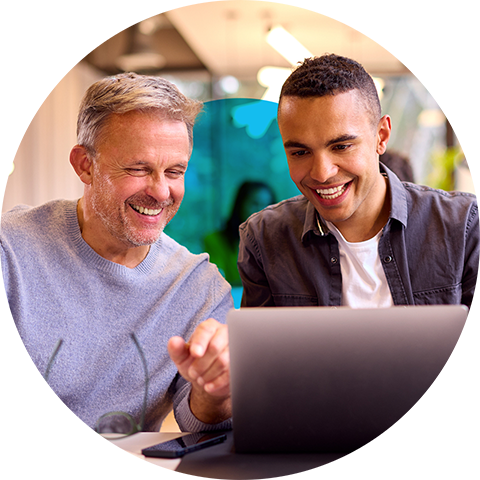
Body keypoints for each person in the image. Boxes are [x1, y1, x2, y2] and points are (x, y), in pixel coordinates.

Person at [0, 73, 232, 432]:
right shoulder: (10, 251)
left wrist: (214, 391)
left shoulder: (199, 286)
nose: (160, 192)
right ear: (85, 165)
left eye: (175, 171)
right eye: (138, 169)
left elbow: (197, 422)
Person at [238, 54, 479, 308]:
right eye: (300, 152)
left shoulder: (465, 229)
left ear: (381, 136)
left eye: (341, 146)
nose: (322, 173)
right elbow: (261, 347)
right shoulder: (265, 239)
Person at [204, 181, 276, 286]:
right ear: (240, 205)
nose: (261, 211)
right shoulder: (215, 240)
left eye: (267, 206)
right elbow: (216, 283)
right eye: (255, 204)